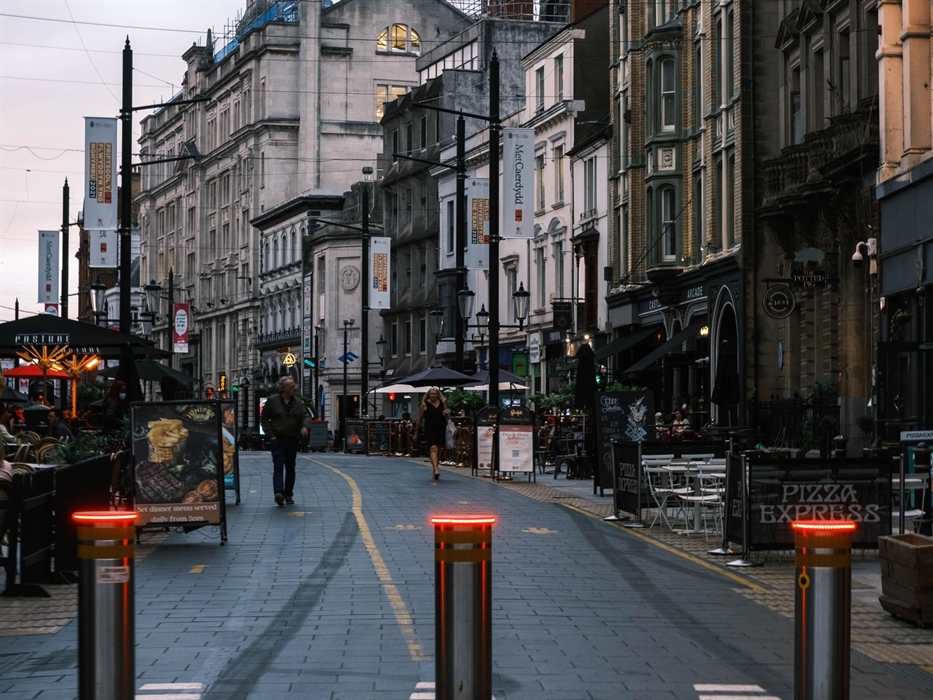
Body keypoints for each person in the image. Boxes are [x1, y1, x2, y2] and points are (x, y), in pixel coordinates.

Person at [260, 377, 312, 507]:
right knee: (278, 466)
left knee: (290, 467)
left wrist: (305, 427)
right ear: (284, 388)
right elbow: (264, 418)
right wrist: (271, 435)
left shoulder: (298, 402)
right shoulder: (272, 401)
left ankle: (288, 494)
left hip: (292, 439)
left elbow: (305, 415)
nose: (294, 388)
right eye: (292, 386)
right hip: (277, 439)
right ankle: (279, 493)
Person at [413, 387, 449, 480]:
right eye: (431, 394)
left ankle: (435, 469)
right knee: (433, 448)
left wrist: (447, 413)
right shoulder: (424, 404)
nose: (433, 396)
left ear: (438, 395)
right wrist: (416, 432)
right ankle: (436, 470)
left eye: (435, 394)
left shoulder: (442, 402)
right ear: (429, 395)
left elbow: (446, 414)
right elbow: (419, 419)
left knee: (439, 449)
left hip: (441, 428)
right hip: (430, 429)